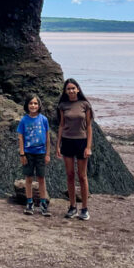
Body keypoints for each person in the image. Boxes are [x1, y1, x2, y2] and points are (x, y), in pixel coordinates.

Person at [56, 78, 93, 220]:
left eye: (73, 88)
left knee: (82, 176)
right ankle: (72, 207)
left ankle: (84, 208)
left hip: (82, 142)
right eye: (68, 89)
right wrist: (58, 145)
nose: (71, 91)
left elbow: (89, 127)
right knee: (70, 175)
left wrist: (88, 147)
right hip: (67, 141)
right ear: (65, 91)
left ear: (78, 89)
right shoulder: (63, 105)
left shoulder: (85, 104)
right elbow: (61, 125)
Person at [16, 94, 51, 216]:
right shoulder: (24, 120)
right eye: (31, 103)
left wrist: (47, 154)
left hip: (41, 153)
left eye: (35, 103)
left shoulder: (44, 119)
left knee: (41, 178)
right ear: (27, 105)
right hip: (28, 153)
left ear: (39, 105)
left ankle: (43, 203)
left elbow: (47, 138)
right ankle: (29, 203)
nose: (33, 105)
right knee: (29, 178)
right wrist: (22, 154)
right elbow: (20, 137)